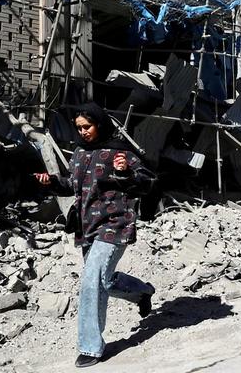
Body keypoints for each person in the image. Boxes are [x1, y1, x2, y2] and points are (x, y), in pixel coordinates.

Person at [35, 103, 156, 368]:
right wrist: (52, 182)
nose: (83, 132)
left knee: (91, 281)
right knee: (105, 280)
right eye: (78, 128)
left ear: (99, 124)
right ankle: (141, 292)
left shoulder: (120, 152)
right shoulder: (79, 153)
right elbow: (72, 185)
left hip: (115, 224)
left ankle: (91, 347)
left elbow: (147, 182)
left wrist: (125, 172)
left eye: (87, 126)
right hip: (86, 227)